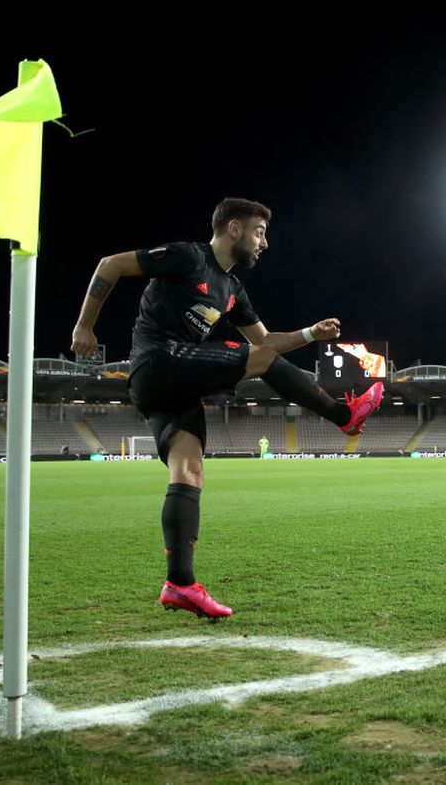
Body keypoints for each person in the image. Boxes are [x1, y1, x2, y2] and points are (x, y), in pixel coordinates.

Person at [70, 197, 383, 620]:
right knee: (256, 360)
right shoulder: (187, 256)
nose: (264, 243)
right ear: (233, 229)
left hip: (171, 387)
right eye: (259, 232)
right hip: (157, 360)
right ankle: (344, 416)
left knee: (190, 470)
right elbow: (110, 264)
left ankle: (180, 584)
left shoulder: (233, 291)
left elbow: (266, 342)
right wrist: (85, 324)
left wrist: (311, 332)